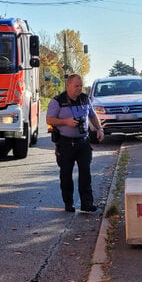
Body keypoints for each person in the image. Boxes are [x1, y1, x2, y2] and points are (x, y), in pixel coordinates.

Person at [46, 74, 104, 213]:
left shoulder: (84, 98)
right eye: (76, 86)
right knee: (66, 175)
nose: (79, 88)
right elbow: (49, 119)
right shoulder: (57, 101)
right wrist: (66, 122)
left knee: (86, 173)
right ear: (68, 85)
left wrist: (99, 129)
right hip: (65, 143)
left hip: (83, 142)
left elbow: (92, 115)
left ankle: (87, 203)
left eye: (81, 85)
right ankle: (68, 203)